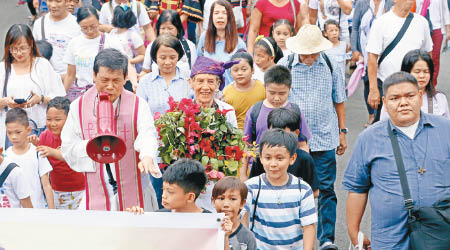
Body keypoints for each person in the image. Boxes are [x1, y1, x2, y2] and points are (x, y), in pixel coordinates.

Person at [342, 71, 450, 249]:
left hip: (440, 233)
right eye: (395, 98)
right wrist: (354, 233)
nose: (403, 103)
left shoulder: (445, 129)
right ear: (384, 102)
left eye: (410, 96)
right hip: (389, 237)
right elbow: (357, 188)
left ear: (420, 96)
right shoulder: (369, 138)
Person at [61, 48, 161, 212]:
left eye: (116, 80)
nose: (110, 86)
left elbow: (147, 133)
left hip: (134, 189)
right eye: (104, 80)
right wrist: (92, 145)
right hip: (96, 191)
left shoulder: (137, 104)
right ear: (94, 75)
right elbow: (68, 146)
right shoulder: (78, 107)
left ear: (125, 78)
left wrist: (147, 155)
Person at [278, 24, 347, 250]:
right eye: (306, 52)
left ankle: (327, 240)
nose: (309, 56)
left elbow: (339, 99)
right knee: (291, 189)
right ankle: (293, 239)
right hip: (293, 141)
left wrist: (343, 132)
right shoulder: (285, 65)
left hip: (325, 136)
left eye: (313, 51)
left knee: (326, 189)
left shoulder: (330, 63)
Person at [242, 129, 317, 250]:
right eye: (268, 158)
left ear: (292, 158)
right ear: (260, 158)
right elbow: (242, 221)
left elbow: (308, 227)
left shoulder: (303, 189)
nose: (273, 163)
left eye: (279, 158)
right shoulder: (251, 187)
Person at [0, 24, 66, 149]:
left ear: (31, 45)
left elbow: (60, 100)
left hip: (40, 129)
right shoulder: (3, 68)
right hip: (12, 133)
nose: (18, 53)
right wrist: (5, 102)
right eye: (13, 48)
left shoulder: (42, 65)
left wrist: (40, 99)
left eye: (23, 48)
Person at [366, 0, 433, 123]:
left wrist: (428, 85)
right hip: (387, 86)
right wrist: (373, 89)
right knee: (385, 127)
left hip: (413, 88)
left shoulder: (422, 23)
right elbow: (372, 57)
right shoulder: (381, 23)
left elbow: (427, 55)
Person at [64, 6, 135, 100]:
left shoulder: (111, 41)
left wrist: (134, 82)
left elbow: (126, 63)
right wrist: (63, 95)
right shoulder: (74, 43)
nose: (89, 31)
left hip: (105, 93)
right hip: (81, 94)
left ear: (98, 22)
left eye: (93, 26)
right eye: (84, 28)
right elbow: (70, 75)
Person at [248, 108, 319, 197]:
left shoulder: (304, 159)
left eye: (284, 133)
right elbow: (251, 188)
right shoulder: (260, 157)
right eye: (275, 131)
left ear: (296, 133)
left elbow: (314, 192)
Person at [243, 65, 311, 151]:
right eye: (272, 93)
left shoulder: (295, 111)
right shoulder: (255, 111)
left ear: (290, 88)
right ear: (265, 87)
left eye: (282, 93)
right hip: (259, 162)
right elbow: (246, 144)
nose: (276, 98)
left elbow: (303, 145)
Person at [350, 0, 394, 126]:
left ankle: (384, 116)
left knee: (384, 83)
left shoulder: (390, 3)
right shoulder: (362, 3)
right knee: (368, 82)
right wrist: (355, 49)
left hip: (385, 51)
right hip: (365, 50)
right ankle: (372, 115)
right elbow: (355, 27)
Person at [37, 97, 85, 210]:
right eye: (49, 119)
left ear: (69, 119)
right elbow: (43, 159)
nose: (52, 123)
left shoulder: (77, 135)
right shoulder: (44, 136)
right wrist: (36, 144)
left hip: (81, 190)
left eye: (57, 119)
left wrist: (53, 152)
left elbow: (74, 157)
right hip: (57, 191)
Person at [4, 108, 54, 209]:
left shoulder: (37, 153)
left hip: (36, 209)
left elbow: (46, 185)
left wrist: (52, 211)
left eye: (18, 132)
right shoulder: (6, 156)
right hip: (13, 212)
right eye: (9, 133)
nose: (13, 137)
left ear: (28, 130)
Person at [380, 49, 450, 119]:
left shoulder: (439, 98)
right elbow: (384, 126)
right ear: (406, 72)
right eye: (417, 72)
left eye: (426, 71)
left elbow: (446, 127)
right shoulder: (392, 99)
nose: (422, 76)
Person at [137, 34, 193, 116]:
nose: (167, 62)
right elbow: (140, 112)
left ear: (178, 56)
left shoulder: (188, 78)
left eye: (172, 57)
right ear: (155, 57)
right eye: (162, 58)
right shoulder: (145, 82)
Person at [197, 0, 247, 87]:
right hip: (207, 90)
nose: (220, 16)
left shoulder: (239, 44)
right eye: (216, 13)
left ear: (230, 17)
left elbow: (243, 73)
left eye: (224, 13)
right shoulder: (204, 37)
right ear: (211, 17)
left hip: (230, 92)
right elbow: (197, 65)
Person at [141, 10, 197, 80]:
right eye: (163, 28)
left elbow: (194, 73)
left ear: (178, 29)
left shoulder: (189, 46)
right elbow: (146, 71)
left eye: (170, 28)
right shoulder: (152, 46)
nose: (166, 32)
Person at [32, 0, 81, 76]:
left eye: (58, 1)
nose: (53, 5)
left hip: (69, 80)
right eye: (50, 1)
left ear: (67, 2)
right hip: (44, 77)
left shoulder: (77, 25)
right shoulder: (39, 23)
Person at [189, 56, 238, 126]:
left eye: (211, 81)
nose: (205, 87)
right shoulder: (181, 112)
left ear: (218, 84)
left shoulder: (228, 111)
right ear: (191, 83)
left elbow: (235, 136)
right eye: (200, 81)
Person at [211, 176, 257, 250]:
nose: (226, 204)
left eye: (232, 199)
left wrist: (225, 237)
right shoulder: (207, 230)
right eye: (221, 198)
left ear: (242, 203)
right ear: (213, 201)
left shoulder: (247, 237)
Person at [223, 52, 265, 130]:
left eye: (244, 69)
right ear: (230, 72)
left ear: (252, 70)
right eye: (235, 70)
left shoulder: (262, 88)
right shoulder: (227, 92)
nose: (240, 73)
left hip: (259, 133)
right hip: (236, 135)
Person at [414, 0, 450, 86]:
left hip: (436, 29)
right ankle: (419, 85)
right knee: (418, 58)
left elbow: (445, 10)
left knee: (434, 59)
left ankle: (432, 86)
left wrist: (448, 29)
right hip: (420, 28)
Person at [110, 5, 145, 73]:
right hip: (112, 70)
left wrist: (129, 61)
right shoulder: (112, 33)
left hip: (128, 71)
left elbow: (143, 55)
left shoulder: (133, 35)